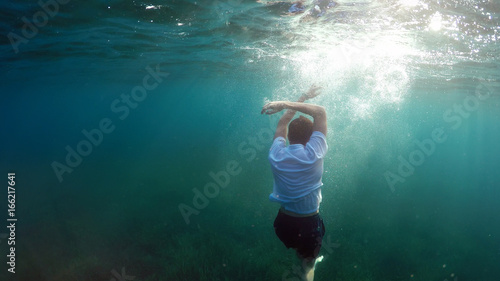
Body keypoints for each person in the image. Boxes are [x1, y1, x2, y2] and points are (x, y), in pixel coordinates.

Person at [261, 85, 328, 281]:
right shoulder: (314, 153)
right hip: (309, 225)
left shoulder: (276, 154)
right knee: (307, 267)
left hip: (283, 225)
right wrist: (285, 103)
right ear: (312, 138)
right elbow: (321, 112)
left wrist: (303, 96)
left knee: (298, 247)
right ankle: (308, 263)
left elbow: (283, 121)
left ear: (288, 136)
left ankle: (303, 253)